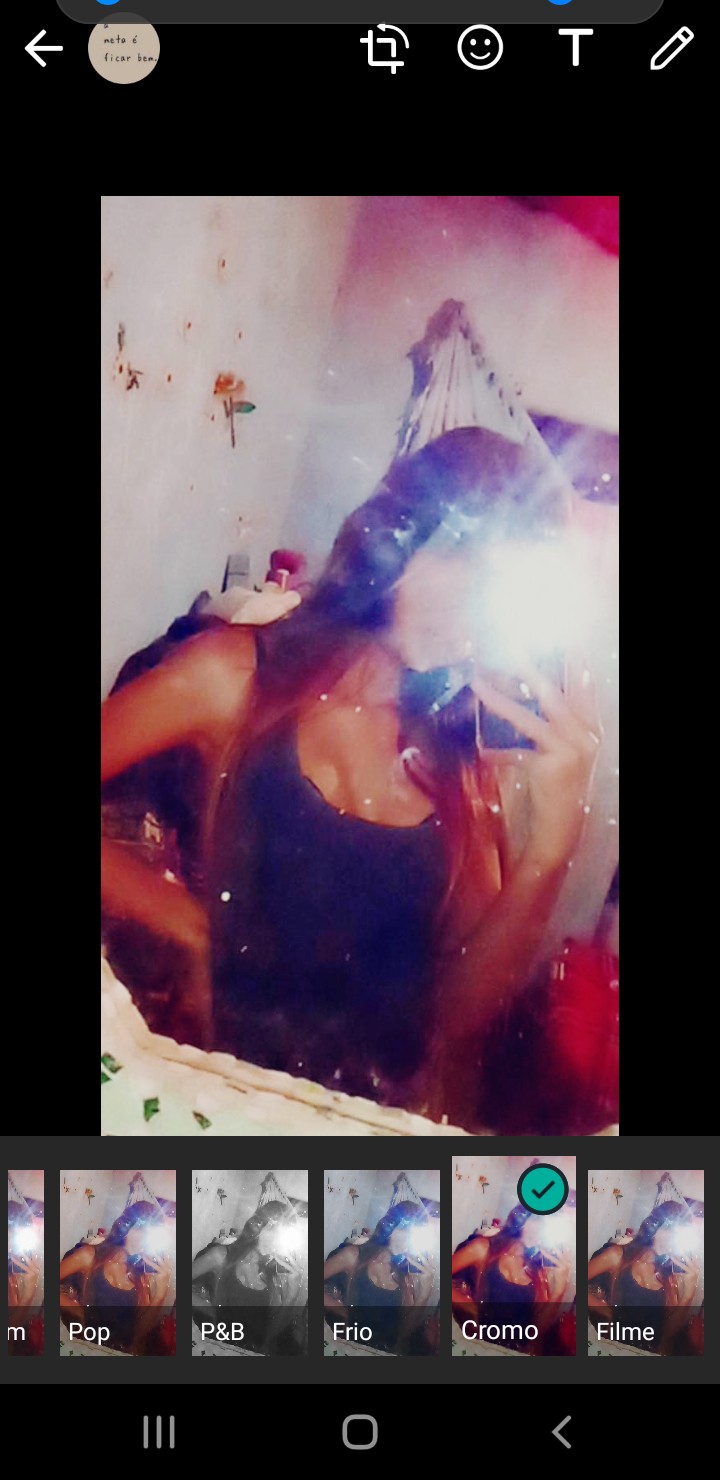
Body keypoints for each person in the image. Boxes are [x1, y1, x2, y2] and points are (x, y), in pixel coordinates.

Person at [101, 426, 600, 1127]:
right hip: (225, 1106)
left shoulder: (461, 762)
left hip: (363, 1131)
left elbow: (455, 1015)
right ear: (395, 539)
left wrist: (551, 847)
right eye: (463, 561)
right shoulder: (237, 676)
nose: (469, 616)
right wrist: (180, 920)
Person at [452, 1203, 571, 1354]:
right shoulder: (484, 1248)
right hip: (480, 1348)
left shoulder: (538, 1270)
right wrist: (469, 1306)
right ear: (521, 1218)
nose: (541, 1231)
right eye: (538, 1221)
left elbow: (537, 1329)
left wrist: (559, 1290)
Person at [192, 1201, 307, 1355]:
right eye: (272, 1229)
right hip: (218, 1346)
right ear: (257, 1225)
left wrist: (291, 1296)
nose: (274, 1241)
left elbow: (270, 1333)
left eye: (280, 1235)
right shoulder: (222, 1256)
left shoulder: (277, 1275)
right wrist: (210, 1310)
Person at [323, 1200, 437, 1355]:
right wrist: (341, 1311)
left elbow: (403, 1333)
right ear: (389, 1226)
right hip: (349, 1349)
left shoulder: (406, 1277)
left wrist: (424, 1295)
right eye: (404, 1230)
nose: (406, 1241)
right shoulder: (355, 1256)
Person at [588, 1201, 701, 1355]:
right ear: (653, 1226)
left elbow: (667, 1333)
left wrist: (688, 1295)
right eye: (668, 1229)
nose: (669, 1240)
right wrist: (604, 1309)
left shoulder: (669, 1278)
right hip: (613, 1349)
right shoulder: (618, 1256)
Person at [59, 1201, 172, 1355]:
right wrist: (76, 1309)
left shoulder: (143, 1276)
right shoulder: (90, 1256)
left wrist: (160, 1295)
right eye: (140, 1230)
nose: (142, 1241)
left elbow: (139, 1333)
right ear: (125, 1226)